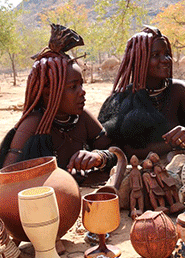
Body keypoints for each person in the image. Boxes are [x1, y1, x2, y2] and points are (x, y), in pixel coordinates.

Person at [0, 24, 116, 184]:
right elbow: (6, 180)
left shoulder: (82, 117)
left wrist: (99, 157)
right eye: (73, 87)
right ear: (49, 92)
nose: (82, 92)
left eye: (81, 85)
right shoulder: (33, 124)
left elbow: (116, 151)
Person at [98, 26, 185, 160]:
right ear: (140, 60)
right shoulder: (122, 98)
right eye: (156, 55)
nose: (165, 59)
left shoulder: (179, 90)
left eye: (166, 53)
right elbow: (119, 148)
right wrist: (175, 145)